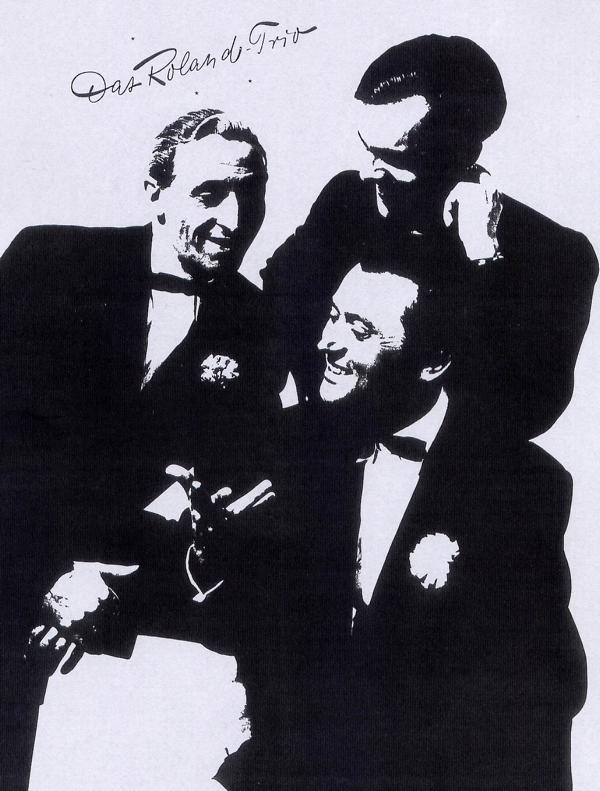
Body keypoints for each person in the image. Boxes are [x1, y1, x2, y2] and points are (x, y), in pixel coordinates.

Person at [0, 109, 279, 789]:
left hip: (109, 645)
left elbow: (216, 504)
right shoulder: (48, 262)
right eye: (209, 193)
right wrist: (48, 579)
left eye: (250, 195)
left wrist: (109, 587)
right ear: (155, 192)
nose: (234, 217)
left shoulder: (258, 325)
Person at [275, 243, 586, 790]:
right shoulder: (299, 443)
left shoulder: (521, 487)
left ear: (433, 362)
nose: (328, 342)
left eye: (360, 331)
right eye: (333, 316)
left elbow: (546, 690)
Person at [262, 34, 598, 438]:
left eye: (395, 158)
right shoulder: (347, 198)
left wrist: (482, 259)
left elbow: (526, 413)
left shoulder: (556, 255)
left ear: (462, 156)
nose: (369, 172)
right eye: (368, 149)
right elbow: (276, 299)